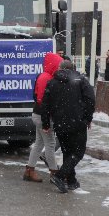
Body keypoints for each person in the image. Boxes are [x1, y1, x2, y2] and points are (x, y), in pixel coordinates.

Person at [41, 60, 95, 193]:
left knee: (67, 151)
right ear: (73, 68)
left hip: (60, 122)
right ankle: (59, 176)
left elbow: (45, 104)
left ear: (60, 68)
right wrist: (88, 118)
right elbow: (90, 100)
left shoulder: (52, 82)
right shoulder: (81, 80)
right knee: (78, 152)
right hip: (77, 122)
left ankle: (71, 181)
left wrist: (46, 123)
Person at [24, 52, 63, 183]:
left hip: (38, 114)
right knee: (50, 145)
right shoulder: (48, 79)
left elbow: (36, 97)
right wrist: (47, 121)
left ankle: (29, 170)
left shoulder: (42, 76)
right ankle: (54, 173)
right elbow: (45, 102)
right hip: (43, 116)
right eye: (58, 65)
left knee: (39, 143)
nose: (59, 68)